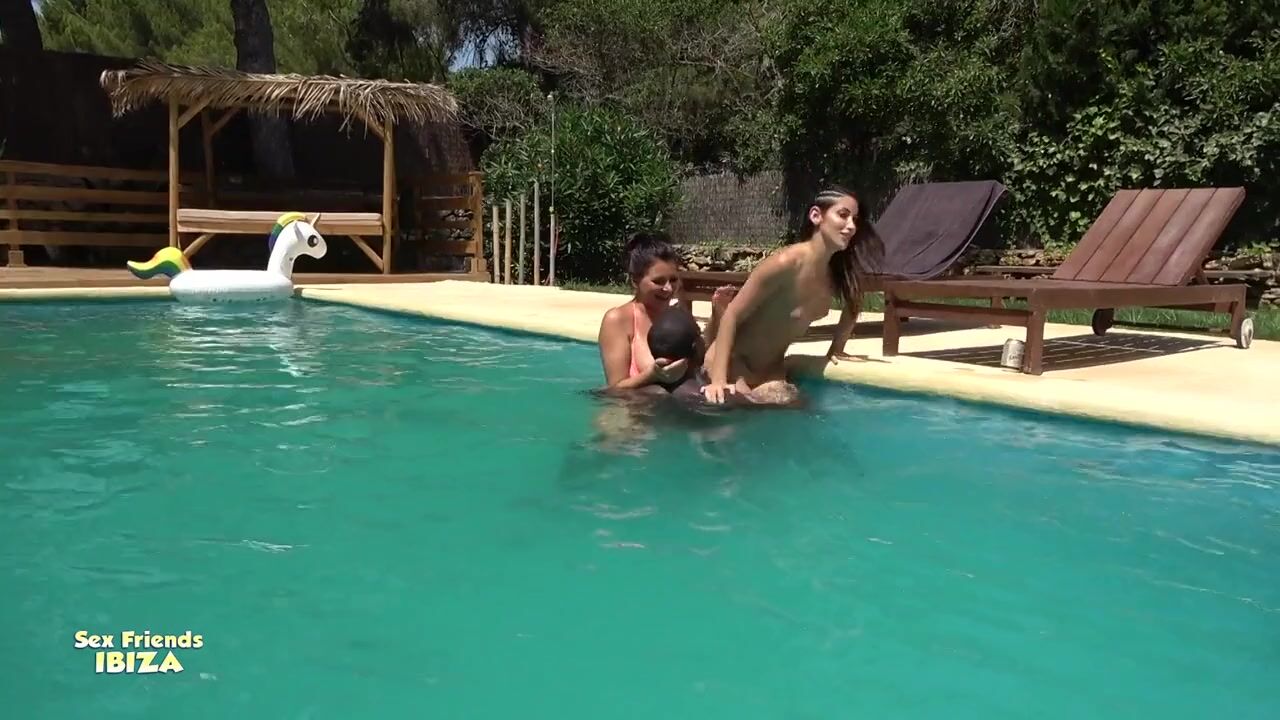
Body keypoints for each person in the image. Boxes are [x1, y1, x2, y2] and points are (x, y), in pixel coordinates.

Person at [700, 186, 884, 404]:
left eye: (855, 220)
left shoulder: (834, 274)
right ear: (816, 216)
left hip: (772, 371)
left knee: (802, 415)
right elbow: (732, 315)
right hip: (734, 365)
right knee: (745, 415)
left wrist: (837, 348)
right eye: (843, 215)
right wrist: (719, 381)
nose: (851, 226)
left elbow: (854, 302)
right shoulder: (784, 263)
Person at [596, 231, 736, 391]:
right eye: (658, 281)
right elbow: (615, 389)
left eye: (673, 280)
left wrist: (717, 313)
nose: (668, 288)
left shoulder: (676, 316)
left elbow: (702, 358)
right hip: (639, 405)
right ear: (635, 281)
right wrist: (652, 375)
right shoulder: (618, 320)